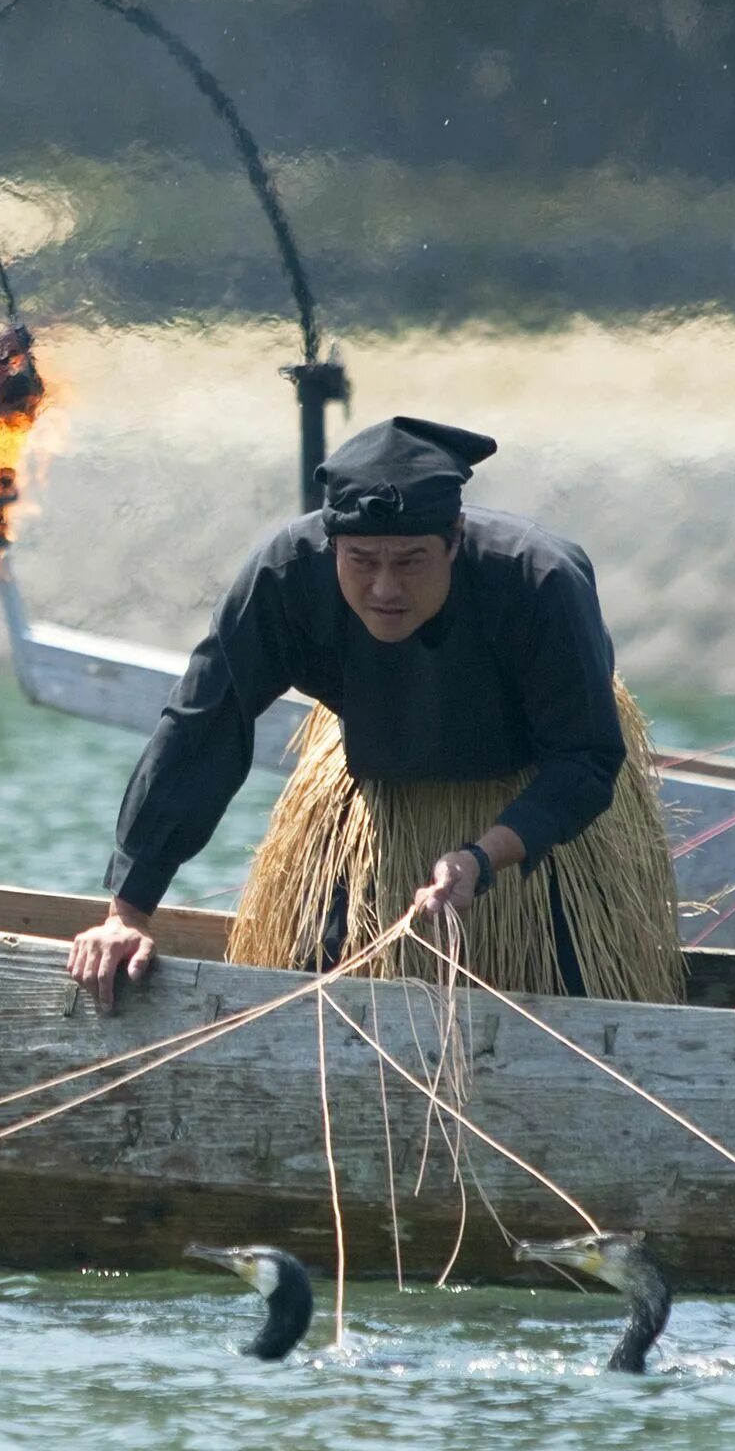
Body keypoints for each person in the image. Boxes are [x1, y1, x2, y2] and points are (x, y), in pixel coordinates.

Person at [66, 416, 684, 1009]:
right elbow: (201, 727)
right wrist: (127, 914)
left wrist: (482, 857)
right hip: (376, 787)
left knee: (573, 1000)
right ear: (330, 545)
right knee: (314, 980)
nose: (385, 589)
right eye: (361, 562)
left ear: (455, 541)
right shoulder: (284, 576)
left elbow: (586, 757)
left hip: (536, 810)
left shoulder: (538, 579)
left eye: (410, 561)